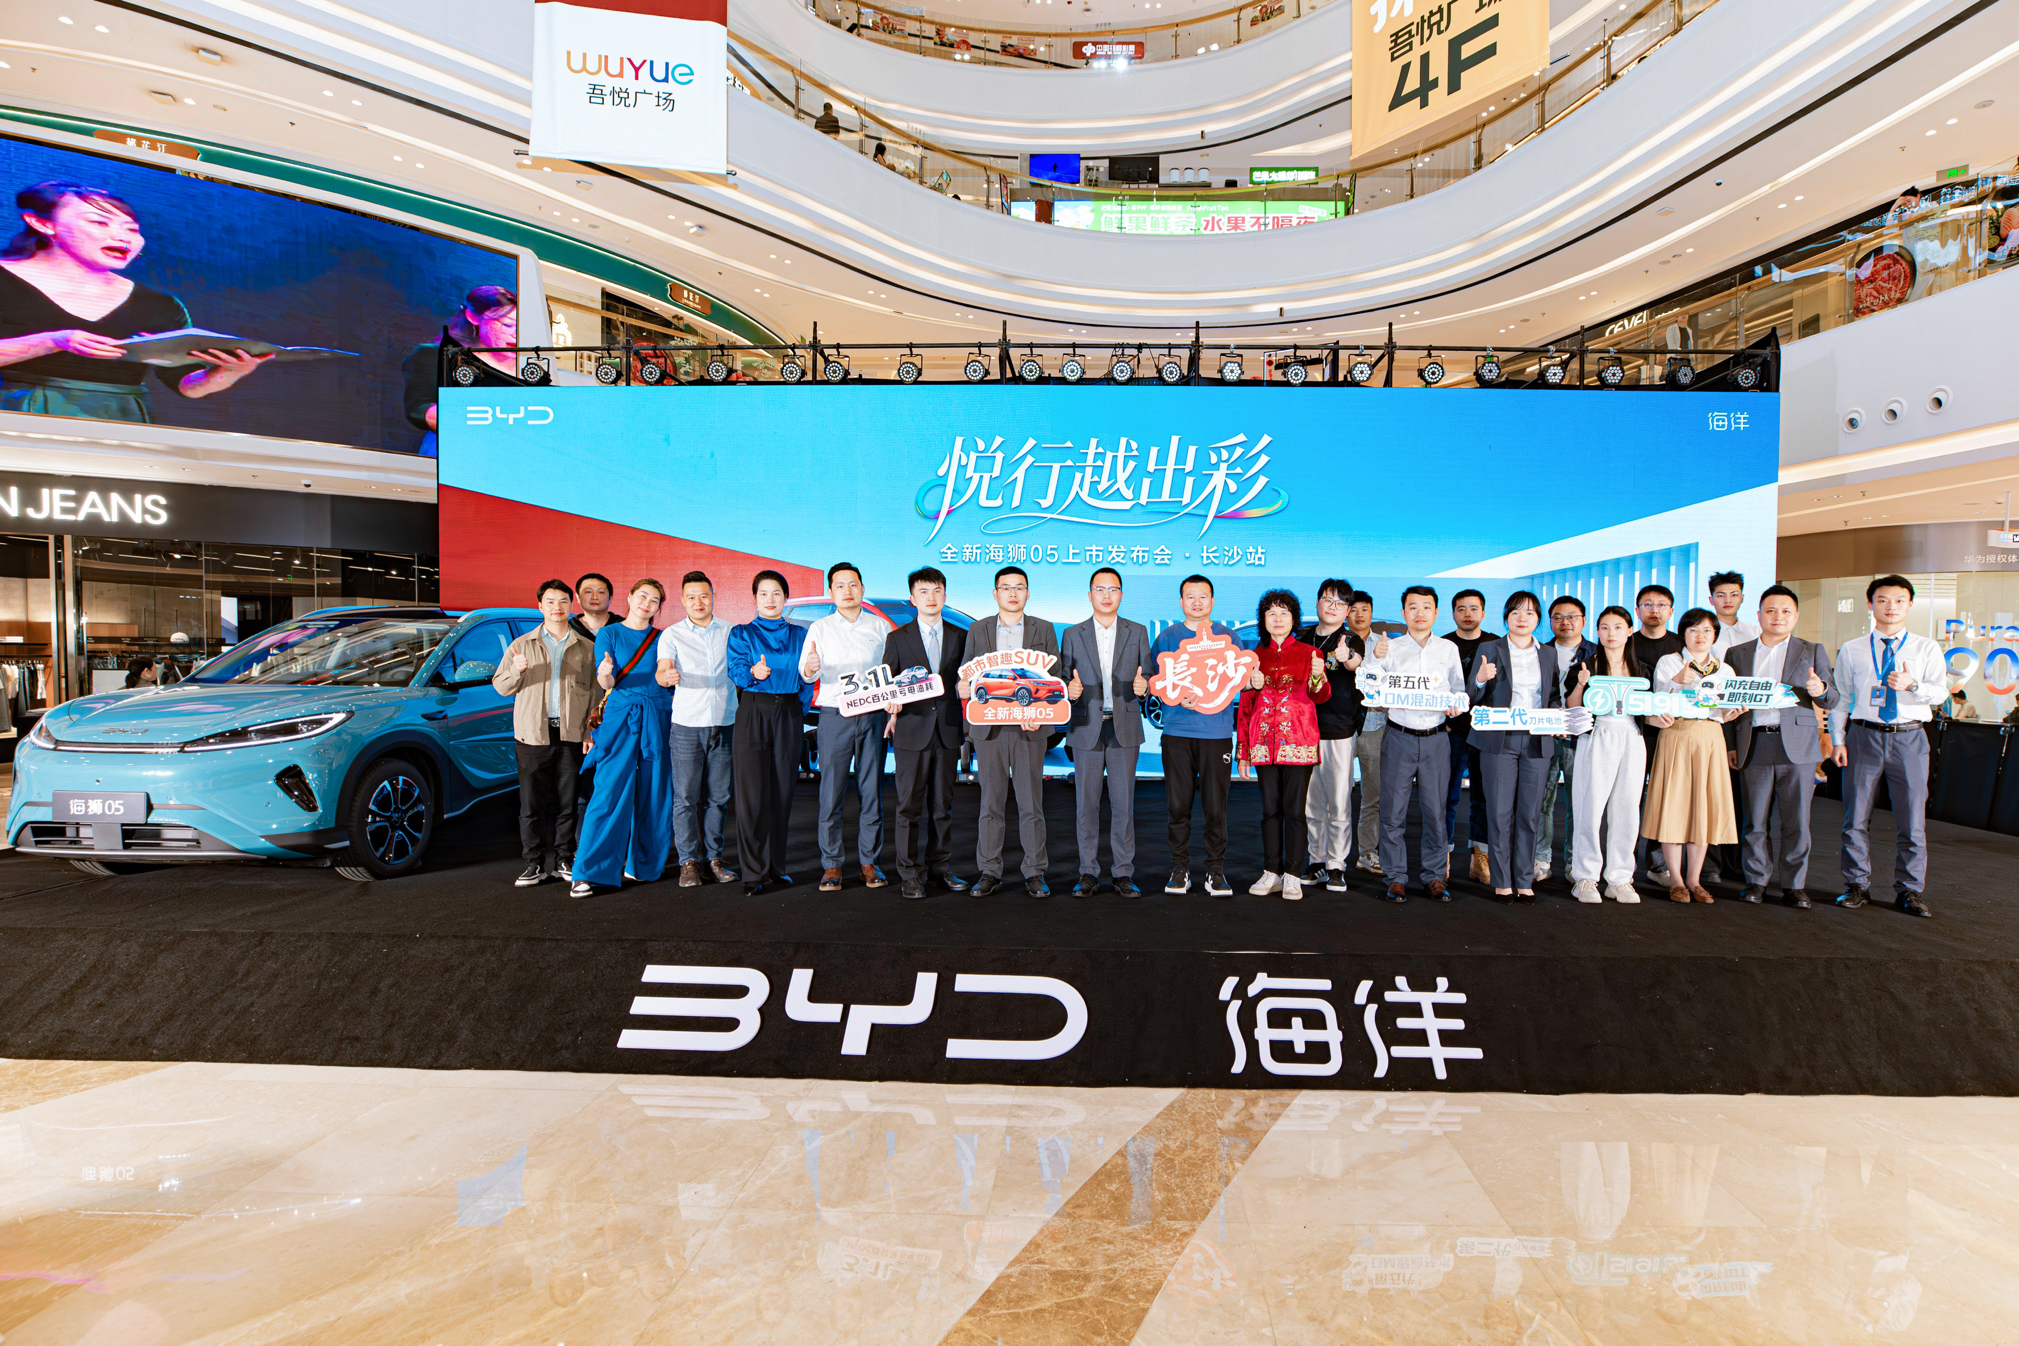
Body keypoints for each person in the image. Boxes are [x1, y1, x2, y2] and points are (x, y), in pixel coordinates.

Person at [0, 181, 272, 423]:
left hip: (123, 419)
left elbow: (188, 386)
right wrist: (54, 341)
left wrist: (230, 372)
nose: (123, 237)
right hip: (17, 413)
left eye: (131, 229)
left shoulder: (158, 304)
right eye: (99, 223)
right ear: (43, 224)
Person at [1830, 574, 1947, 918]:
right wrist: (1837, 740)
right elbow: (1841, 699)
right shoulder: (1853, 648)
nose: (1890, 607)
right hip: (1864, 736)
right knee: (1855, 817)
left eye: (1899, 600)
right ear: (1871, 605)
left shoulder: (1926, 647)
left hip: (1910, 737)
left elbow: (1940, 692)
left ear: (1910, 605)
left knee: (1912, 820)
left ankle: (1909, 890)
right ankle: (1856, 885)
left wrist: (1913, 685)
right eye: (1882, 600)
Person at [1724, 584, 1836, 908]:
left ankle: (1794, 885)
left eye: (1786, 611)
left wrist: (1819, 688)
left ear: (1796, 616)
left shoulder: (1812, 650)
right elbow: (1728, 702)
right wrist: (1730, 743)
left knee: (1796, 821)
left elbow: (1833, 698)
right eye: (1771, 610)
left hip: (1798, 745)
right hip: (1754, 741)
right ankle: (1756, 881)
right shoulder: (1737, 653)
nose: (1778, 616)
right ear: (1759, 614)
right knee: (1754, 820)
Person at [570, 579, 672, 898]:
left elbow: (666, 675)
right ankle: (587, 872)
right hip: (621, 714)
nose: (646, 603)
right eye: (642, 596)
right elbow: (607, 681)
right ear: (629, 597)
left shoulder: (664, 638)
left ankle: (644, 864)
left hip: (658, 715)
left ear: (659, 607)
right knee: (608, 791)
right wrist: (604, 673)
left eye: (654, 600)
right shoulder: (610, 633)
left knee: (655, 792)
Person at [959, 566, 1057, 898]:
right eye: (1006, 587)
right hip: (990, 729)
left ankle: (1035, 872)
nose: (1013, 593)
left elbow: (1053, 680)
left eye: (1019, 587)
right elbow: (967, 676)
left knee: (1031, 803)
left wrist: (1041, 714)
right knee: (991, 803)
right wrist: (962, 687)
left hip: (1030, 728)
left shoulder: (1044, 629)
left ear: (1028, 593)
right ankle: (989, 871)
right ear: (995, 593)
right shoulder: (979, 629)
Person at [1365, 586, 1468, 902]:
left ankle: (1434, 876)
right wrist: (1375, 659)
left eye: (1426, 607)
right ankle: (1395, 877)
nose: (1419, 613)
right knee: (1392, 812)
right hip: (1399, 736)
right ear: (1403, 613)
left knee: (1435, 812)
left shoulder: (1448, 649)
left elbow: (1459, 690)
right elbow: (1369, 687)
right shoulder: (1390, 647)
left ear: (1436, 612)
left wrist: (1456, 704)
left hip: (1436, 738)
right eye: (1413, 607)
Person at [1467, 592, 1567, 902]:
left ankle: (1524, 880)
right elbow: (1469, 696)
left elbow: (1552, 696)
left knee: (1530, 813)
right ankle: (1502, 881)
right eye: (1516, 612)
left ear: (1538, 619)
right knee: (1499, 813)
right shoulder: (1489, 648)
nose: (1522, 618)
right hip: (1499, 739)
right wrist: (1480, 679)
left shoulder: (1548, 653)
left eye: (1530, 613)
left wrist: (1557, 716)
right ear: (1506, 617)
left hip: (1537, 739)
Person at [495, 579, 595, 887]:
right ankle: (533, 863)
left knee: (568, 804)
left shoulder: (586, 647)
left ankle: (564, 859)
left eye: (563, 601)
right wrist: (516, 669)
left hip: (571, 734)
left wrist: (589, 731)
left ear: (571, 605)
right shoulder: (521, 645)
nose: (557, 607)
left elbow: (595, 694)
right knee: (531, 806)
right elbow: (501, 686)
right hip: (532, 735)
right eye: (550, 601)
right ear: (540, 606)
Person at [1639, 608, 1742, 903]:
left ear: (1715, 635)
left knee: (1703, 808)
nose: (1700, 636)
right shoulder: (1669, 662)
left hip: (1710, 737)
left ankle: (1695, 880)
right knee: (1674, 805)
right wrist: (1677, 681)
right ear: (1683, 633)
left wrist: (1732, 713)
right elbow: (1657, 701)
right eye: (1694, 630)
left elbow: (1722, 710)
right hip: (1676, 734)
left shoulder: (1725, 670)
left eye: (1707, 630)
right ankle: (1676, 880)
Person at [1060, 567, 1150, 899]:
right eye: (1100, 589)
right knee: (1086, 805)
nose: (1107, 595)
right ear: (1090, 595)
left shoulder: (1137, 631)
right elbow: (1062, 678)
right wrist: (1070, 690)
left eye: (1113, 589)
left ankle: (1123, 873)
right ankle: (1088, 872)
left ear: (1121, 595)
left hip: (1124, 726)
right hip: (1086, 726)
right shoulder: (1073, 633)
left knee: (1123, 805)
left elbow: (1148, 675)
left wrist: (1144, 687)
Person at [800, 562, 890, 892]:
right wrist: (810, 668)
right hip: (835, 716)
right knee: (831, 794)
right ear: (830, 592)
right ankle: (832, 865)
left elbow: (891, 672)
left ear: (863, 589)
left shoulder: (881, 627)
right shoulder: (819, 628)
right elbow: (806, 673)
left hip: (873, 715)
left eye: (853, 584)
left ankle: (870, 863)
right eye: (840, 585)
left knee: (872, 792)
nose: (847, 591)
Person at [1150, 574, 1240, 898]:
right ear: (1181, 602)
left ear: (1212, 601)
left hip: (1216, 734)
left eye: (1203, 596)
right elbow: (1153, 681)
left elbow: (1237, 680)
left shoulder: (1228, 637)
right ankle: (1180, 868)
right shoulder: (1167, 638)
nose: (1197, 602)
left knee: (1216, 808)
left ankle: (1215, 871)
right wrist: (1174, 694)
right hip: (1177, 733)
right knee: (1178, 806)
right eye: (1191, 596)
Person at [882, 567, 969, 900]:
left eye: (936, 591)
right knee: (908, 807)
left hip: (947, 731)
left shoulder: (961, 637)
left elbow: (967, 681)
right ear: (912, 598)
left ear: (945, 595)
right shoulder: (897, 638)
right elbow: (887, 684)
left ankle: (939, 868)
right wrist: (889, 704)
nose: (930, 598)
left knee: (942, 806)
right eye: (923, 592)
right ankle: (908, 873)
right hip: (911, 730)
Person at [1238, 589, 1331, 900]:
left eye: (1284, 613)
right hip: (1263, 743)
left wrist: (1318, 677)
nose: (1277, 619)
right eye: (1271, 613)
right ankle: (1271, 871)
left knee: (1294, 811)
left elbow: (1321, 696)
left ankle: (1293, 873)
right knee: (1269, 811)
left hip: (1298, 742)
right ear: (1263, 620)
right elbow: (1245, 706)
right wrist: (1243, 751)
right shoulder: (1253, 657)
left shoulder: (1310, 654)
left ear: (1294, 619)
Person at [728, 571, 810, 896]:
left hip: (789, 711)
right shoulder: (742, 633)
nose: (770, 599)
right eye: (763, 593)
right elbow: (736, 671)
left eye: (777, 593)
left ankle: (776, 866)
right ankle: (753, 871)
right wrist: (753, 672)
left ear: (786, 598)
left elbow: (807, 678)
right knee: (752, 795)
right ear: (755, 598)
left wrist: (795, 711)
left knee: (782, 793)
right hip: (754, 709)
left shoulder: (801, 634)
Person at [657, 570, 739, 888]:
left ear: (714, 597)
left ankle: (714, 859)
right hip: (687, 726)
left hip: (725, 723)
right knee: (686, 798)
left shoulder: (731, 632)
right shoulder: (672, 635)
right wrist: (667, 677)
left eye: (704, 595)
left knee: (718, 798)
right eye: (691, 597)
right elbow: (663, 670)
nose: (698, 602)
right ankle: (688, 862)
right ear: (682, 600)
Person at [1566, 606, 1647, 904]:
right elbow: (1572, 706)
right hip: (1597, 734)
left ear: (1629, 630)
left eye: (1618, 627)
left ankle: (1620, 878)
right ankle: (1585, 877)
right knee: (1589, 807)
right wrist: (1581, 683)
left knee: (1627, 809)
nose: (1611, 633)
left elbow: (1649, 709)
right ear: (1597, 632)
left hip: (1632, 737)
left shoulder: (1641, 668)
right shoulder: (1585, 665)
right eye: (1604, 627)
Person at [402, 285, 522, 456]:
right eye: (508, 324)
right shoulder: (436, 355)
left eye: (520, 326)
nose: (516, 334)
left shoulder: (527, 366)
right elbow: (417, 407)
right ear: (473, 317)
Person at [1301, 578, 1364, 893]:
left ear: (1348, 610)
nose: (1332, 606)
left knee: (1338, 801)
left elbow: (1355, 663)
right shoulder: (1301, 637)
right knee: (1311, 803)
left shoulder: (1351, 639)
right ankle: (1316, 860)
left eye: (1340, 602)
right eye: (1327, 599)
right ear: (1317, 602)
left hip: (1338, 730)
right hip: (1302, 730)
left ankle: (1337, 865)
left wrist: (1345, 658)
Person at [1534, 595, 1597, 883]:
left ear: (1583, 620)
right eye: (1558, 617)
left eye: (1572, 616)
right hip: (1545, 735)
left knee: (1580, 803)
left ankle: (1575, 862)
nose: (1565, 622)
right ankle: (1540, 859)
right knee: (1542, 800)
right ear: (1550, 621)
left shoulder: (1597, 654)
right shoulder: (1538, 651)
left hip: (1583, 737)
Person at [1629, 584, 1685, 883]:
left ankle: (1657, 864)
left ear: (1671, 611)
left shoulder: (1680, 646)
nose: (1654, 610)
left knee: (1664, 797)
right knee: (1629, 797)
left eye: (1661, 605)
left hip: (1671, 731)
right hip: (1634, 730)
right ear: (1638, 610)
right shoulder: (1626, 642)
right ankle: (1622, 862)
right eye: (1647, 604)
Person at [1443, 589, 1494, 884]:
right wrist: (1443, 722)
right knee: (1446, 797)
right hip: (1452, 732)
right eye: (1461, 609)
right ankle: (1443, 855)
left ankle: (1480, 857)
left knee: (1483, 798)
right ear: (1453, 614)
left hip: (1486, 732)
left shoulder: (1496, 644)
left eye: (1473, 608)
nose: (1467, 614)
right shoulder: (1443, 645)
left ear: (1483, 613)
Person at [1346, 591, 1385, 877]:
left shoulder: (1386, 645)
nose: (1359, 614)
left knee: (1374, 796)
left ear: (1371, 613)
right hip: (1340, 729)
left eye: (1365, 609)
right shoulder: (1337, 643)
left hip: (1375, 726)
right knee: (1333, 796)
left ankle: (1367, 853)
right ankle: (1329, 856)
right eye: (1354, 609)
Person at [1708, 571, 1759, 656]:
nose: (1728, 600)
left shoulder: (1756, 632)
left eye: (1734, 595)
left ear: (1742, 598)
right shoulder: (1704, 634)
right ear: (1711, 600)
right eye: (1721, 596)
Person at [571, 573, 616, 641]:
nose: (594, 597)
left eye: (601, 592)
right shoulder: (567, 628)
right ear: (578, 597)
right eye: (588, 592)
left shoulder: (624, 626)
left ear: (610, 598)